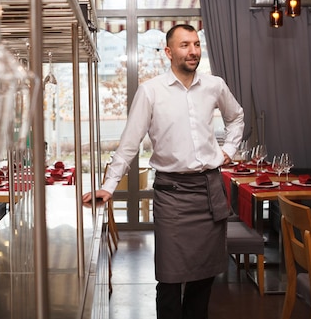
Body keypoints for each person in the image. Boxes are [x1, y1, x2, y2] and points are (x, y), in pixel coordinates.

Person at [83, 23, 245, 319]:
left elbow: (237, 118)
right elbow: (130, 142)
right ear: (168, 52)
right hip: (172, 195)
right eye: (185, 45)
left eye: (196, 44)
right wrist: (109, 184)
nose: (193, 51)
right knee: (169, 278)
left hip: (209, 191)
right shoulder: (150, 91)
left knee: (204, 277)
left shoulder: (215, 85)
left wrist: (228, 151)